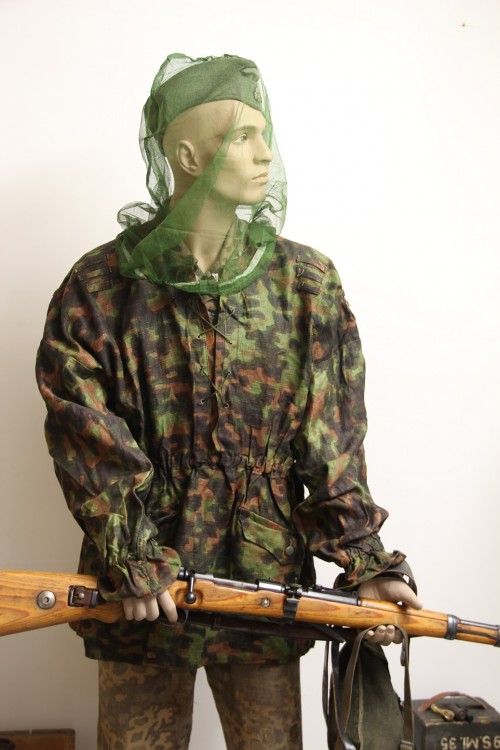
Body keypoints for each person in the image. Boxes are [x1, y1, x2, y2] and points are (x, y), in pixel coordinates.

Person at [36, 53, 421, 750]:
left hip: (264, 585)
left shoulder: (304, 283)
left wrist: (364, 562)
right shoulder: (99, 288)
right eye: (242, 136)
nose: (264, 152)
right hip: (143, 595)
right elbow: (81, 433)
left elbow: (332, 442)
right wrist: (132, 553)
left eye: (264, 132)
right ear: (187, 155)